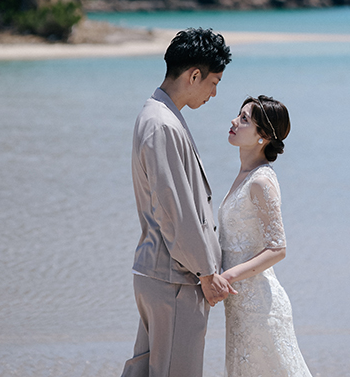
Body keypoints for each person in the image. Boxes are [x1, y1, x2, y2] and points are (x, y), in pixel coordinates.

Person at [121, 27, 235, 377]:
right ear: (194, 75)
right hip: (175, 276)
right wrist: (205, 272)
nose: (214, 93)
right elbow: (175, 211)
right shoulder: (162, 124)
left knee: (149, 369)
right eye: (213, 82)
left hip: (160, 273)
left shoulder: (157, 115)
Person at [218, 95, 313, 377]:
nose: (234, 121)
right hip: (240, 304)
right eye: (239, 115)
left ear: (264, 136)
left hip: (260, 308)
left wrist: (227, 277)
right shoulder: (245, 174)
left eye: (244, 119)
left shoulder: (260, 180)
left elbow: (278, 248)